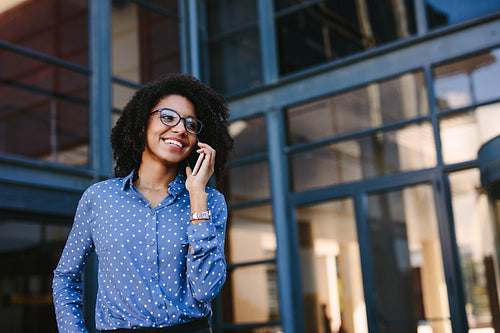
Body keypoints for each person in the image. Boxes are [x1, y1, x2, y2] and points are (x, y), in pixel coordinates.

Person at [52, 73, 233, 333]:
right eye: (168, 117)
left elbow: (206, 289)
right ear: (141, 126)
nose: (181, 128)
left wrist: (197, 198)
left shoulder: (209, 201)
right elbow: (66, 278)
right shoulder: (100, 198)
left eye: (191, 124)